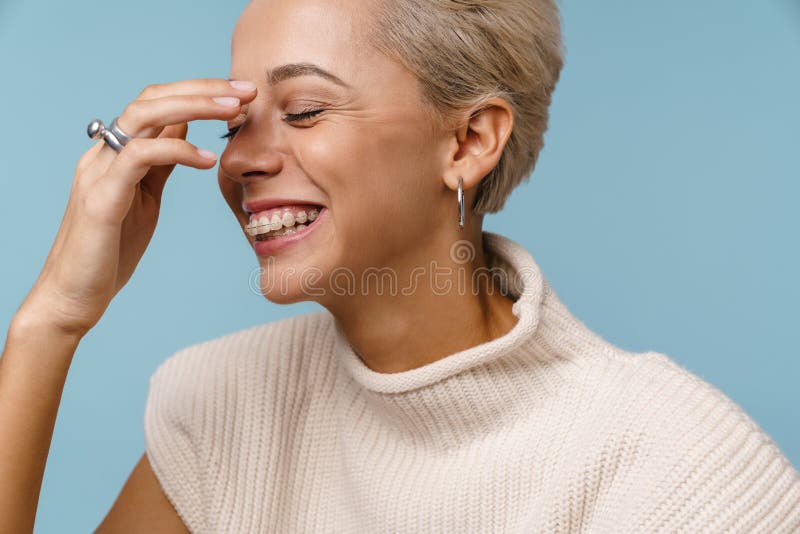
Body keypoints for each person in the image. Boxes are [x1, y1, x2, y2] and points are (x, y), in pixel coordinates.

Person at [2, 0, 799, 532]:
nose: (242, 162)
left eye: (305, 110)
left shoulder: (672, 465)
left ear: (469, 142)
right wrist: (49, 324)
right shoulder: (224, 407)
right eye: (234, 124)